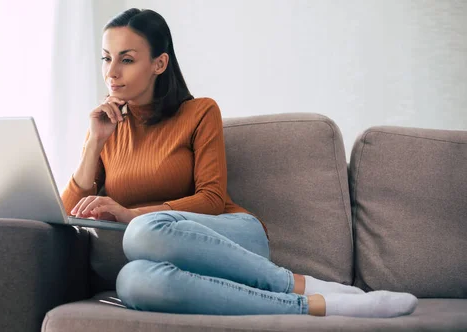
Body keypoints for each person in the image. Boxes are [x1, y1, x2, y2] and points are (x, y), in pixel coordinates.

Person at [61, 8, 418, 317]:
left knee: (143, 231)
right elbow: (66, 213)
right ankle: (320, 305)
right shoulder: (106, 128)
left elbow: (212, 199)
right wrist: (95, 141)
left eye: (126, 59)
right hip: (163, 258)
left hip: (232, 236)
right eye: (106, 58)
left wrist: (130, 215)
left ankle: (295, 283)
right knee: (132, 282)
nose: (112, 72)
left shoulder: (199, 112)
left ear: (159, 63)